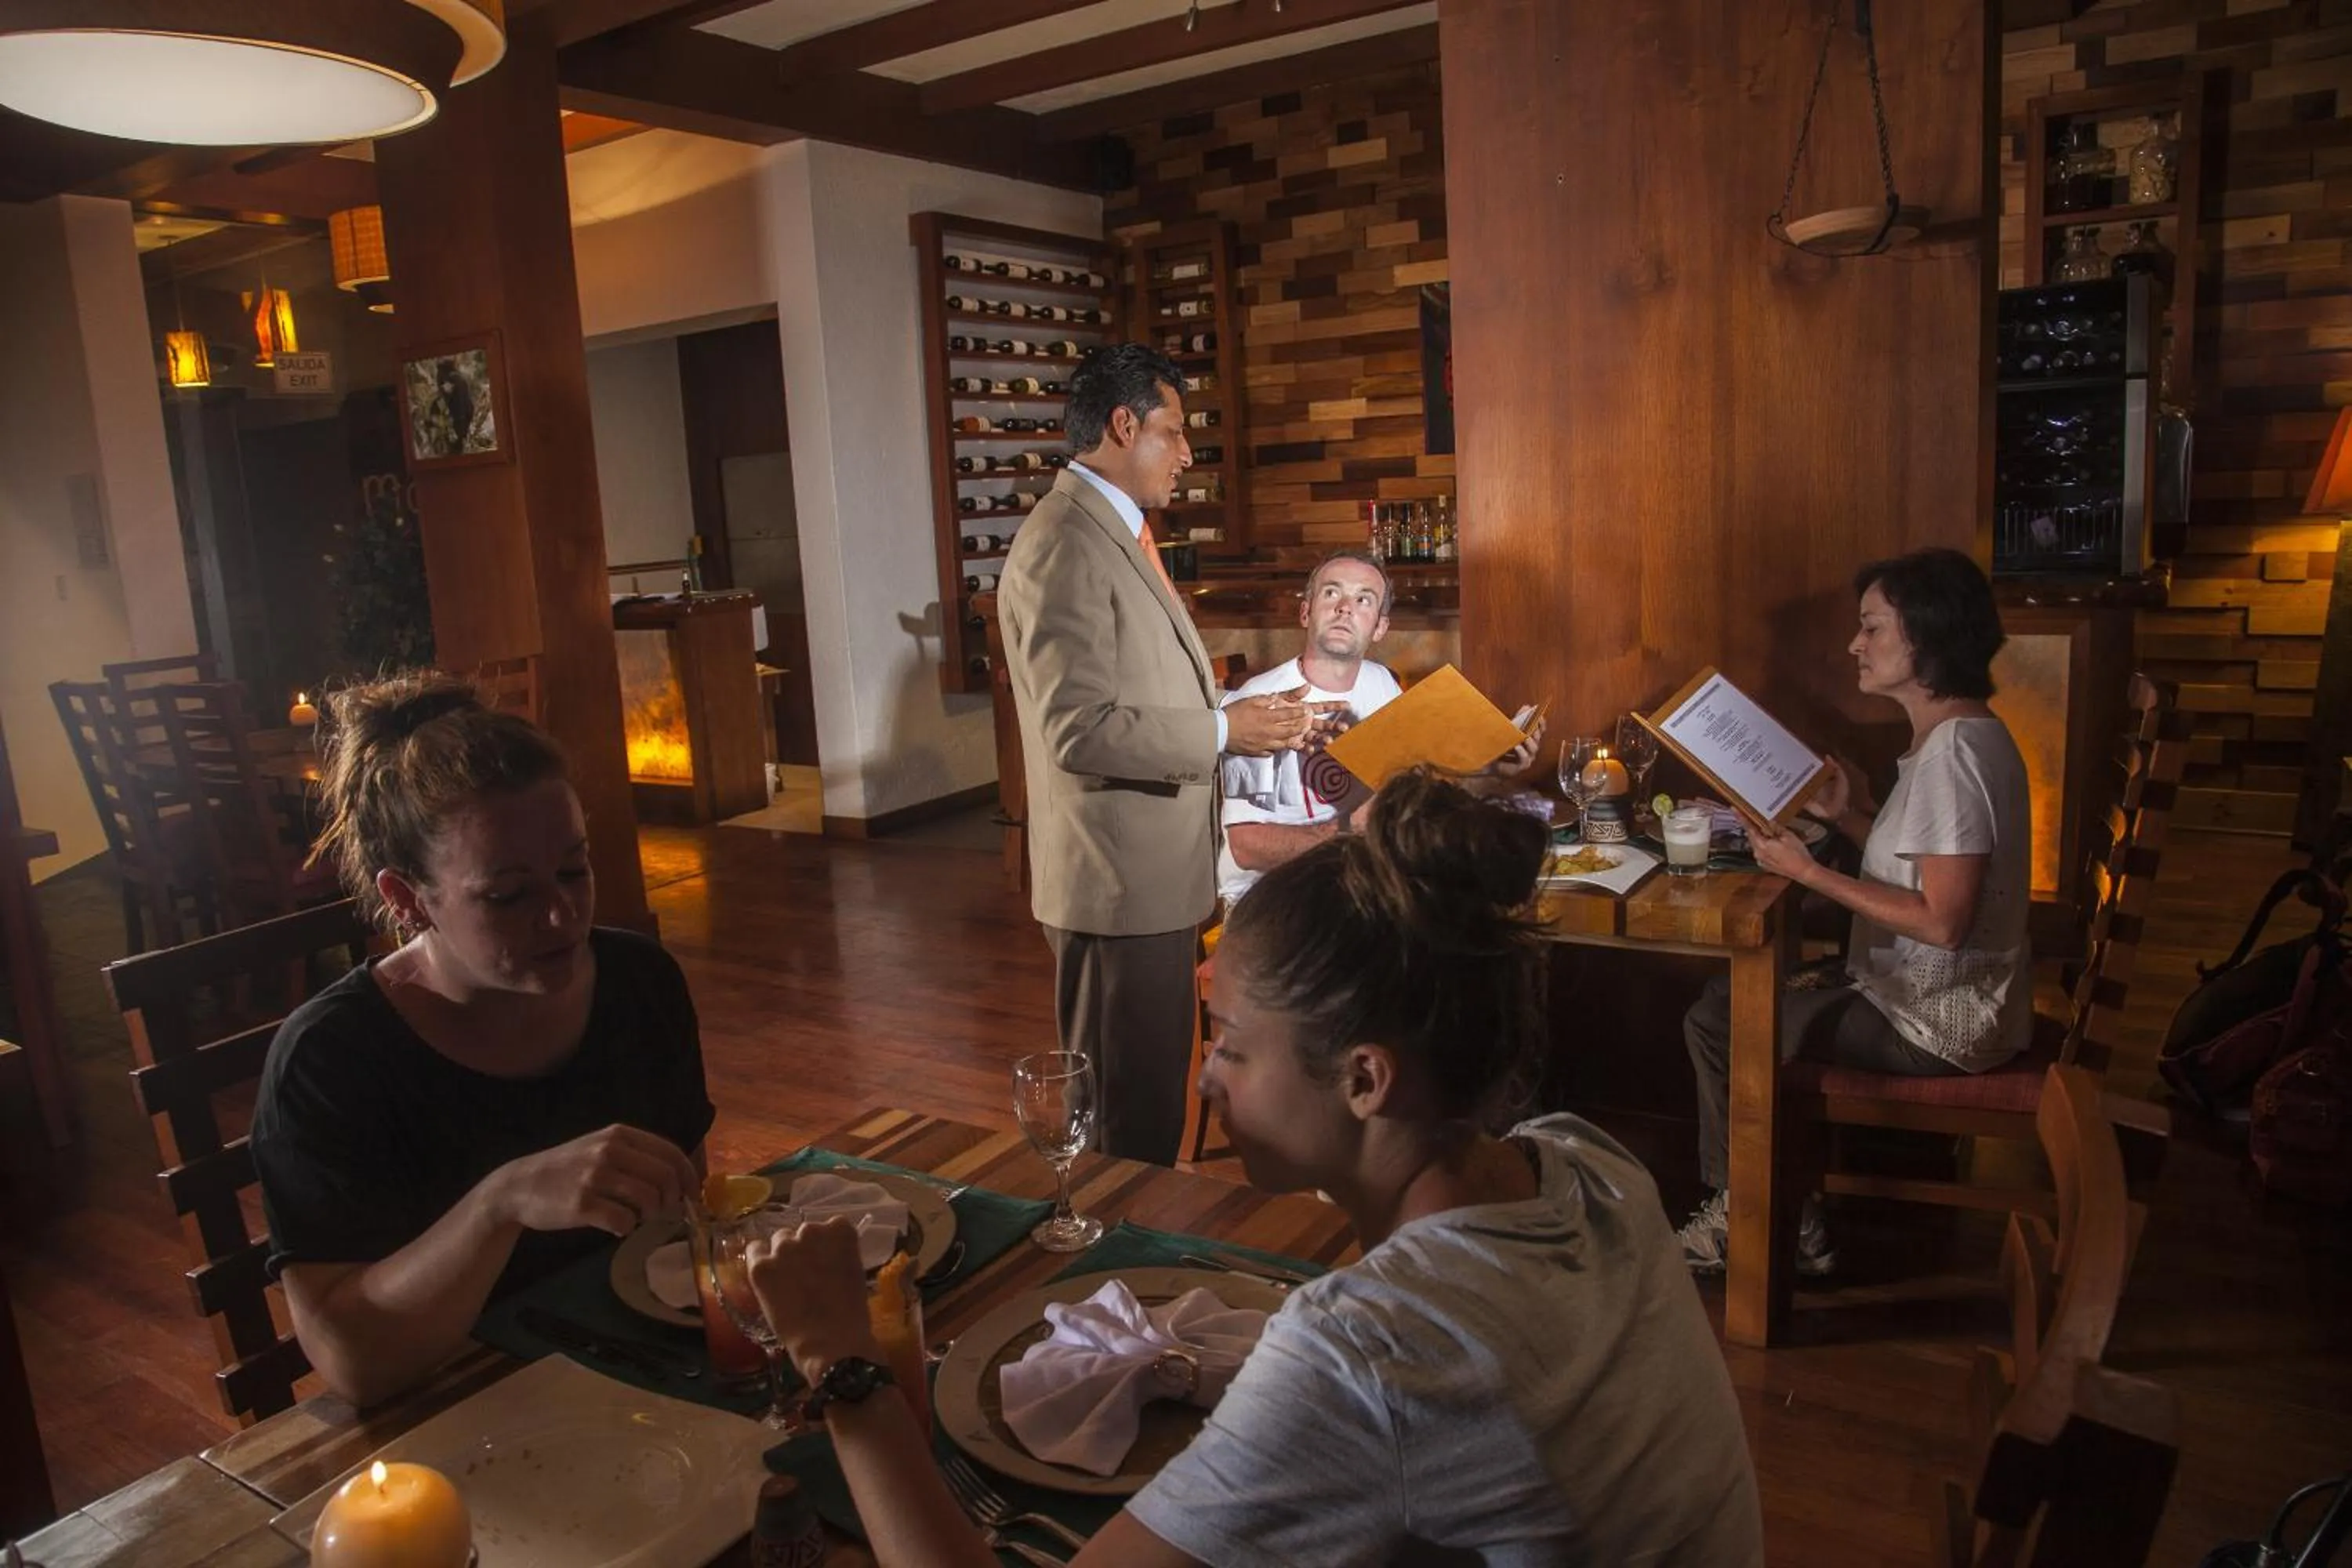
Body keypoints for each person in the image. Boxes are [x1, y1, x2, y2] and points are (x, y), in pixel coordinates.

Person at [746, 771, 1766, 1567]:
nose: (1208, 1085)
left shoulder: (1371, 1349)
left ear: (1365, 1078)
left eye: (1230, 1042)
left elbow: (1383, 1371)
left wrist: (848, 1370)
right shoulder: (1593, 1165)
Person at [249, 673, 710, 1406]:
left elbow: (686, 1219)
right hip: (460, 1417)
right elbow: (354, 1363)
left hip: (647, 1385)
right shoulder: (334, 1060)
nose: (563, 918)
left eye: (575, 869)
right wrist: (501, 1202)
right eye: (509, 895)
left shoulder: (639, 984)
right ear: (406, 899)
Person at [1678, 547, 2031, 1278]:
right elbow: (1928, 868)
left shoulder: (1954, 758)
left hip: (1937, 1023)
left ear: (1927, 637)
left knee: (1725, 1019)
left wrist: (1808, 871)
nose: (1854, 645)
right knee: (1725, 1004)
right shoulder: (1960, 734)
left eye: (1872, 628)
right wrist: (1851, 822)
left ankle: (1749, 1218)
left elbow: (1942, 921)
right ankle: (1786, 1212)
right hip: (1932, 997)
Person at [997, 343, 1311, 1165]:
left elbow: (1135, 691)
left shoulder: (1114, 530)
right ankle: (1106, 1282)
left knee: (1144, 1107)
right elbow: (1080, 728)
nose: (1186, 454)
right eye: (1173, 432)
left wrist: (1230, 713)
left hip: (1151, 879)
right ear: (1122, 424)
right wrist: (1221, 733)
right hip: (1115, 883)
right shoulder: (1065, 543)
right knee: (1122, 1129)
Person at [1218, 548, 1547, 906]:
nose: (1345, 607)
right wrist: (1350, 832)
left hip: (1361, 883)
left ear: (1380, 627)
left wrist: (1493, 766)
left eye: (1364, 599)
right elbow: (1245, 847)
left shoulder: (1383, 685)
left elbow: (1417, 781)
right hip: (1275, 898)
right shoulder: (1258, 700)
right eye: (1332, 593)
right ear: (1305, 612)